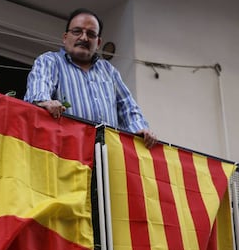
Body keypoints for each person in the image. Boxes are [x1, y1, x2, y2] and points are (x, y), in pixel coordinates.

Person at [24, 8, 157, 148]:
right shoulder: (50, 61)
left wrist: (140, 129)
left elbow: (128, 107)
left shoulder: (109, 71)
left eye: (91, 34)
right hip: (65, 155)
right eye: (77, 31)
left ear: (98, 43)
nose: (84, 38)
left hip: (106, 159)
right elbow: (38, 93)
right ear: (65, 37)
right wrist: (45, 102)